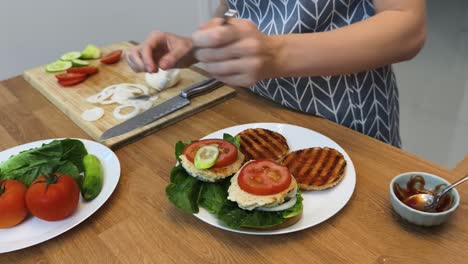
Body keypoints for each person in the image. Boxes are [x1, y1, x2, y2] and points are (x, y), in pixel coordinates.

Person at [125, 0, 426, 148]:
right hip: (257, 113)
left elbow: (407, 28)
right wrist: (194, 47)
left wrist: (276, 54)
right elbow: (235, 8)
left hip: (345, 120)